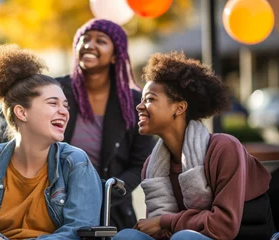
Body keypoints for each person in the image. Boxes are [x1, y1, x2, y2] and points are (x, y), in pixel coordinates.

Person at [0, 18, 155, 230]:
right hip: (49, 204)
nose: (89, 45)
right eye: (84, 39)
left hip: (110, 210)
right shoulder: (56, 90)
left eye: (101, 41)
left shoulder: (132, 102)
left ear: (116, 55)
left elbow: (140, 162)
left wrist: (102, 193)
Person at [0, 44, 103, 240]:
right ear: (21, 112)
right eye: (53, 103)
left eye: (65, 105)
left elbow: (79, 228)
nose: (63, 111)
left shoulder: (75, 162)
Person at [113, 51, 275, 240]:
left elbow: (223, 226)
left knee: (184, 238)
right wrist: (160, 225)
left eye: (149, 99)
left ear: (179, 108)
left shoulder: (223, 149)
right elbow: (157, 231)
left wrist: (165, 221)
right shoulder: (152, 165)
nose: (139, 107)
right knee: (127, 236)